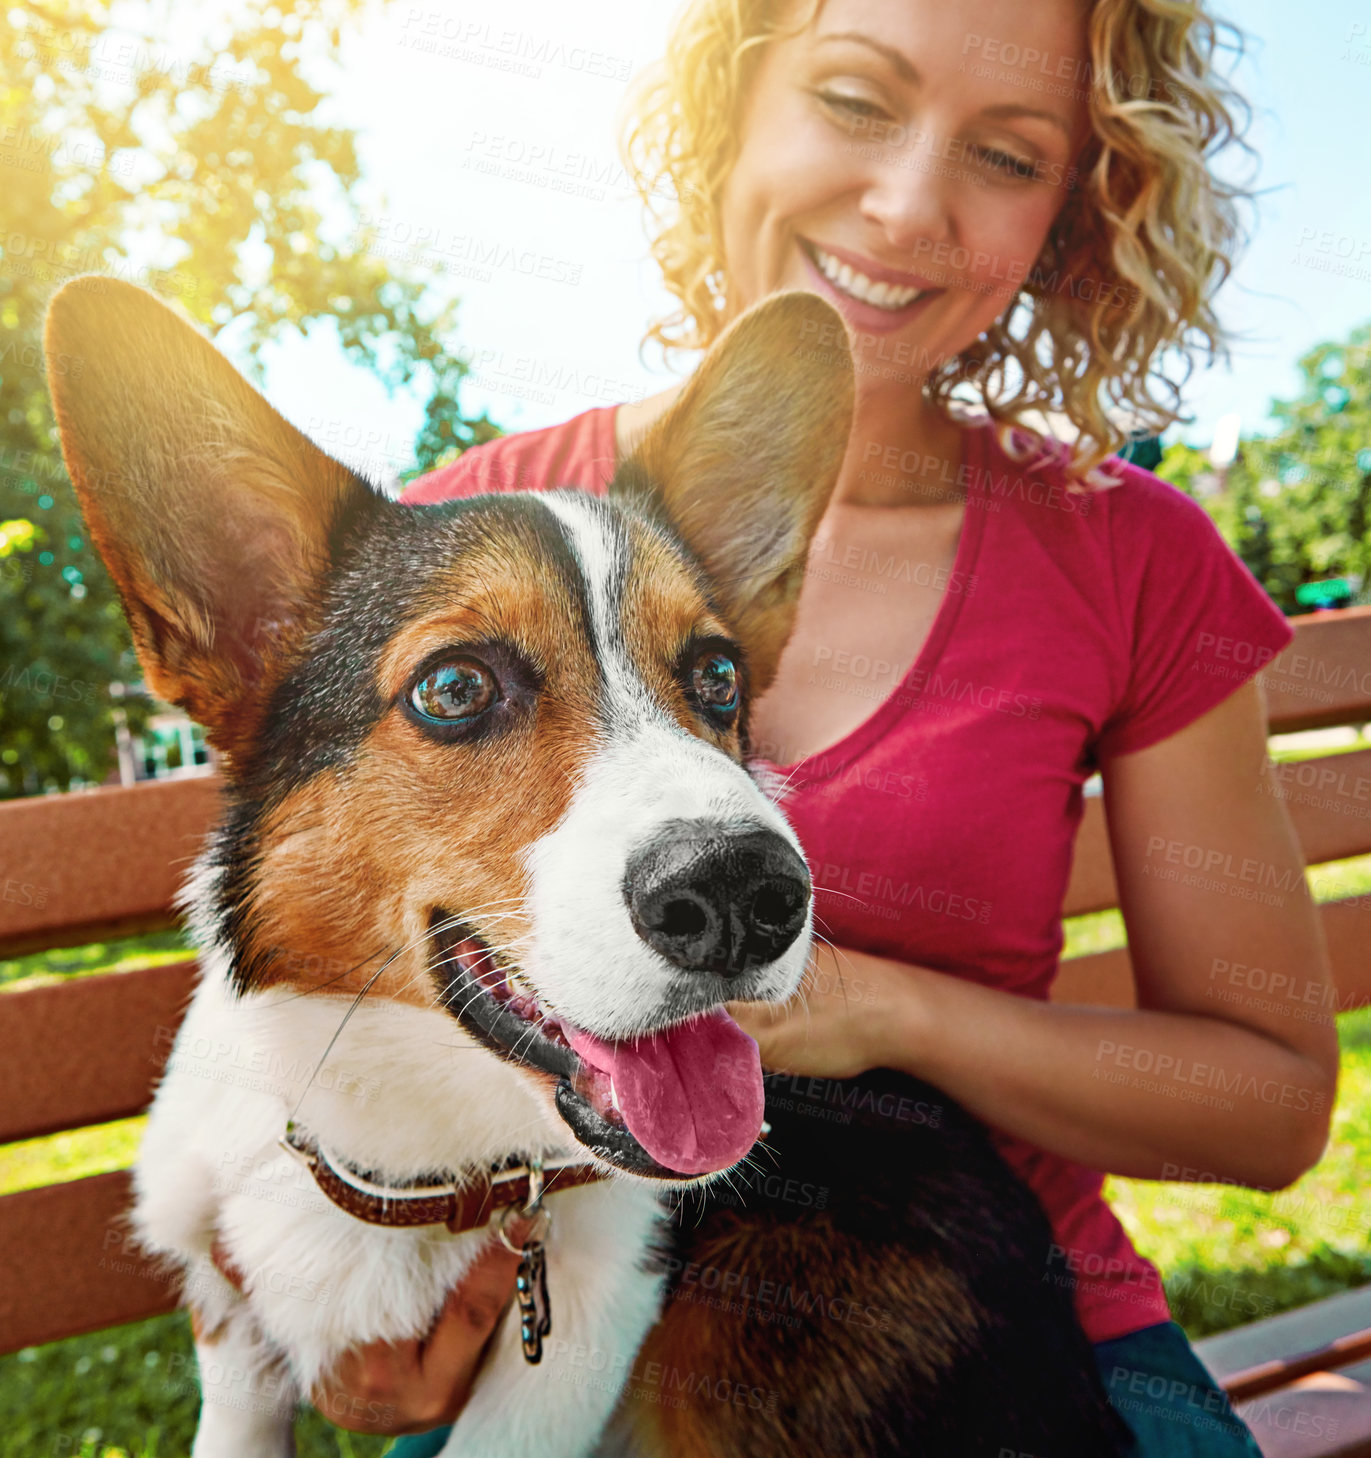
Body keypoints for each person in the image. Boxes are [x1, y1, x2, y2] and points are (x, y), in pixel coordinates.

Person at [281, 2, 1339, 1452]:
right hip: (557, 1347)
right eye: (853, 101)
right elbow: (331, 1002)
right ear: (730, 103)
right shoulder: (469, 540)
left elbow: (1269, 1107)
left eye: (1006, 154)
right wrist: (372, 1325)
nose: (909, 206)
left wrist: (885, 1010)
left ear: (1075, 217)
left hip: (1005, 1324)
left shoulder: (1129, 556)